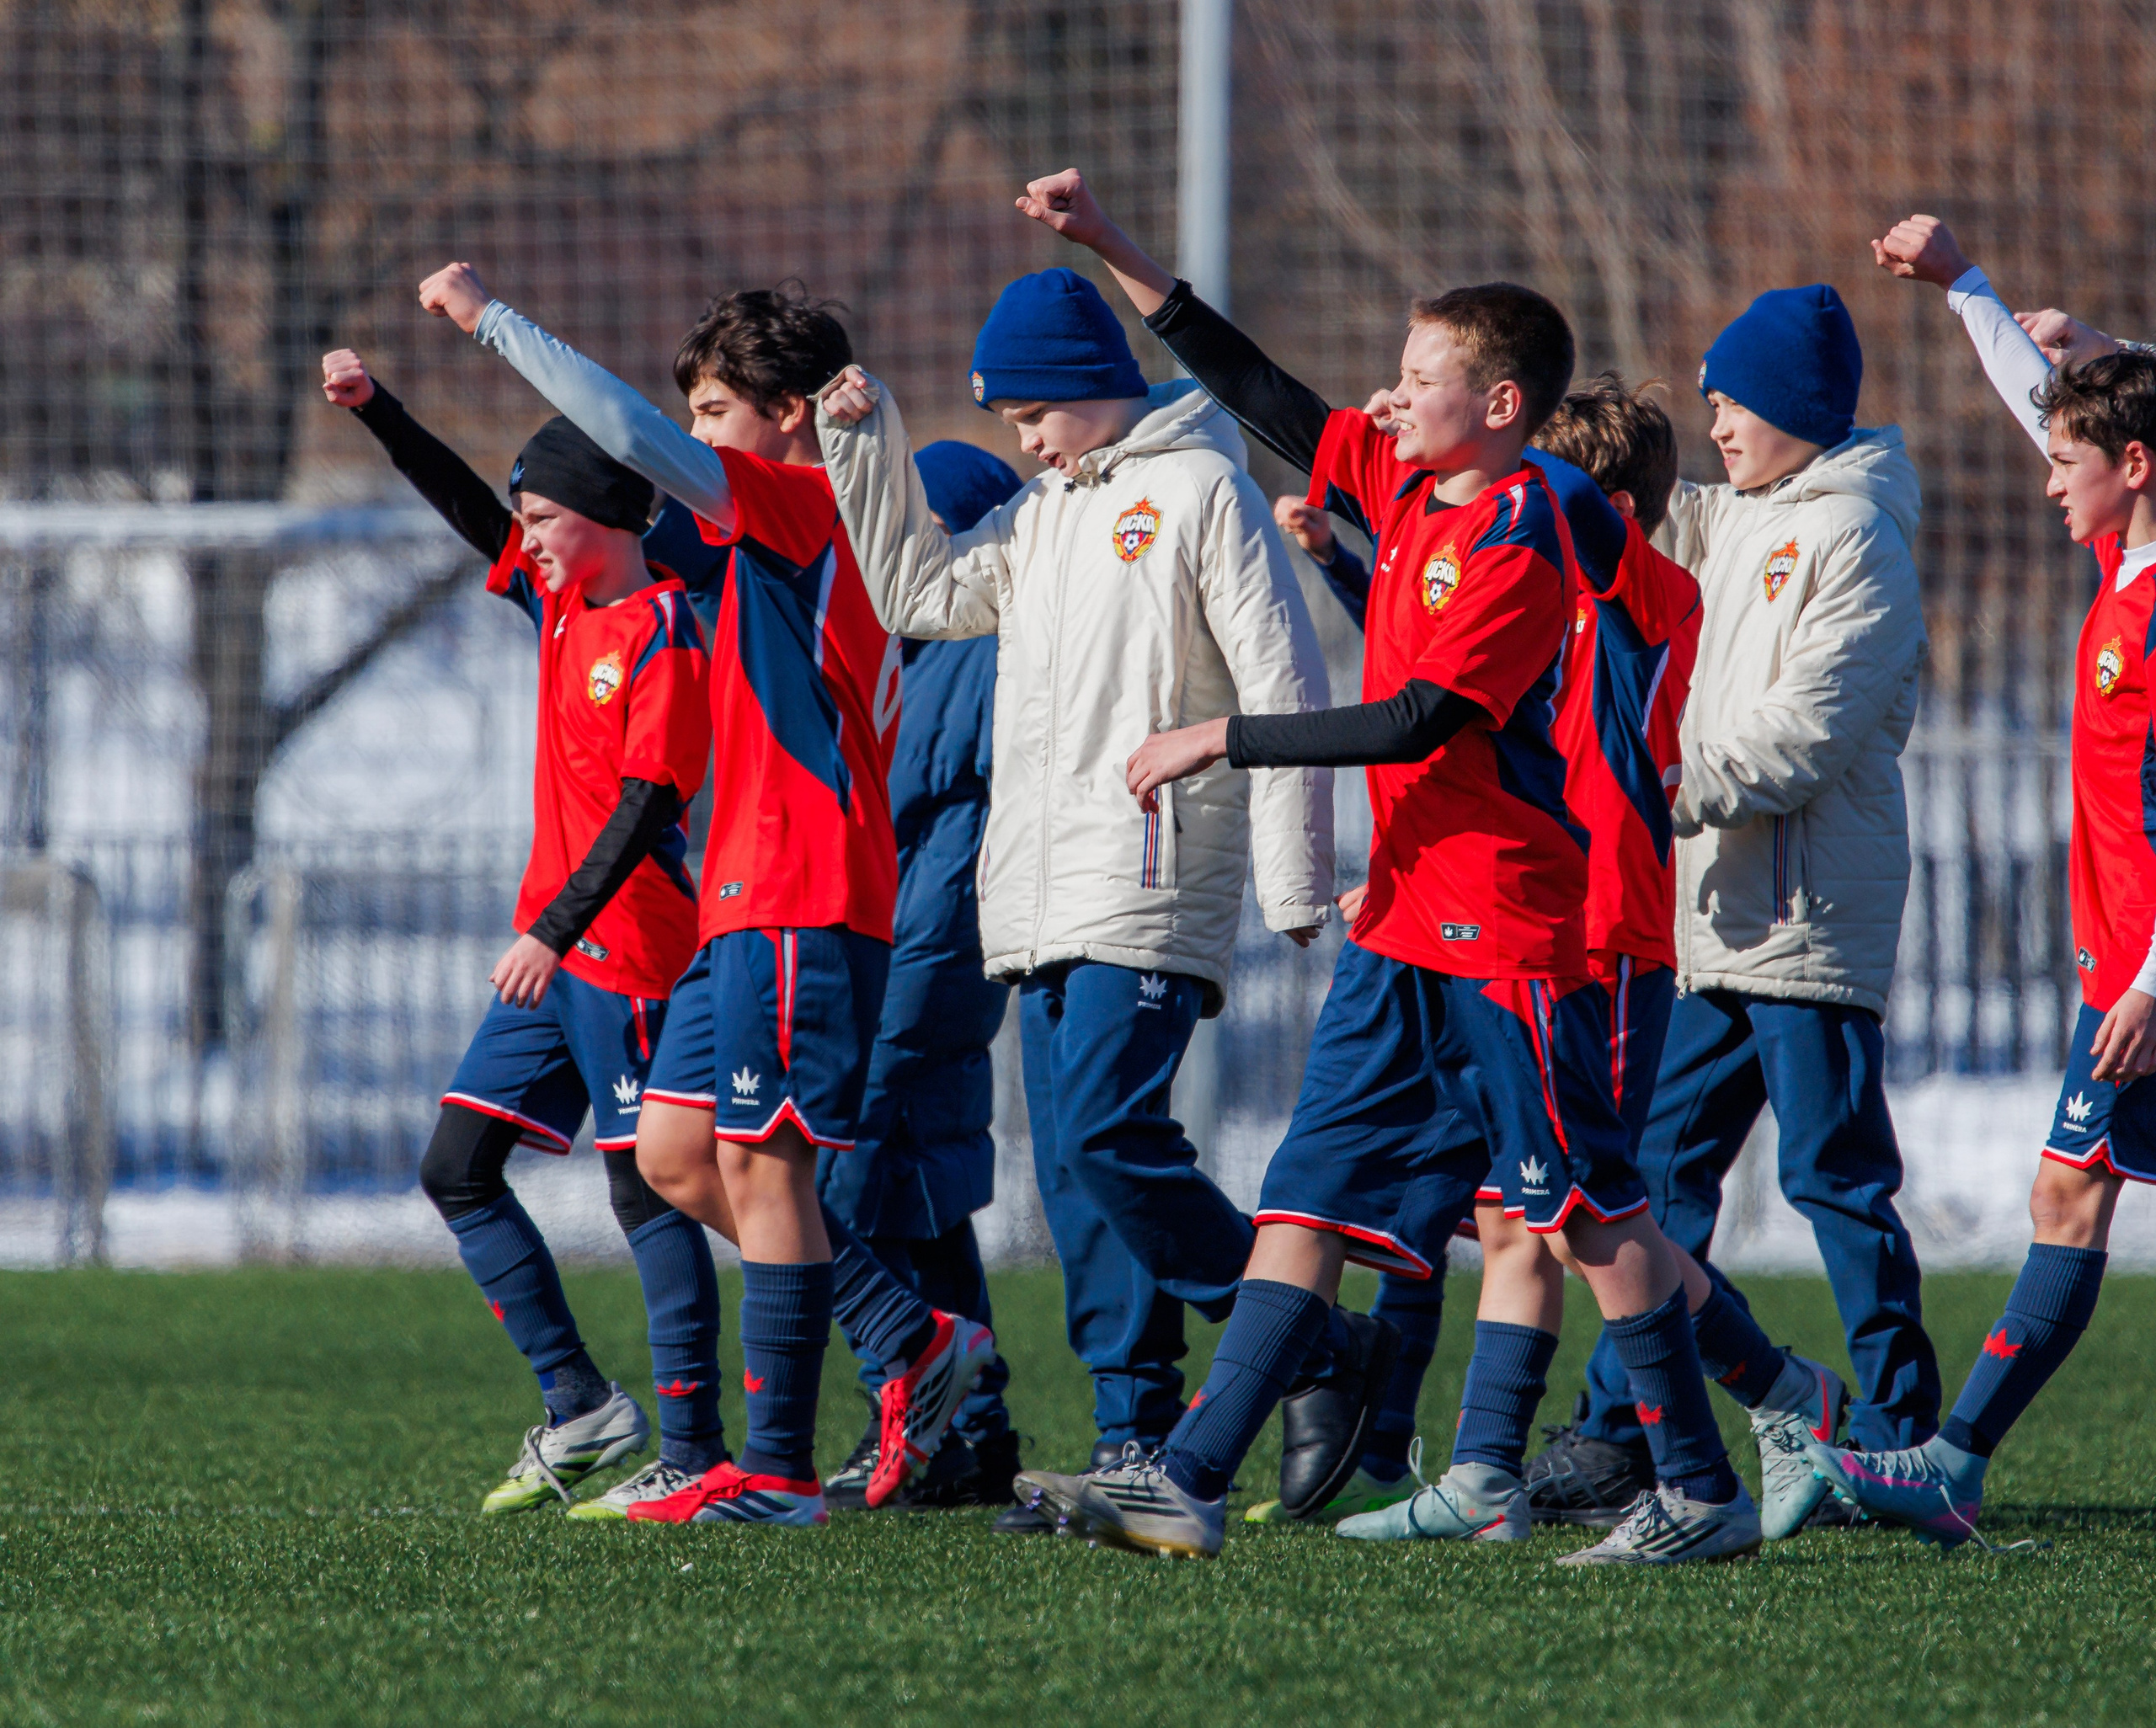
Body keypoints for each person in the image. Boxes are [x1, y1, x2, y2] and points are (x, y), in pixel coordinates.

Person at [1007, 168, 1759, 1565]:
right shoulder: (1414, 484)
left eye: (1421, 377)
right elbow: (1267, 396)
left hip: (1510, 926)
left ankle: (1708, 1486)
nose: (1390, 396)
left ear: (1501, 407)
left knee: (1587, 1212)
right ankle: (1188, 1477)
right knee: (1306, 1193)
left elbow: (1426, 719)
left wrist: (1217, 735)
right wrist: (1112, 244)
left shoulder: (1525, 521)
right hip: (1407, 921)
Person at [418, 264, 996, 1528]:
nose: (697, 442)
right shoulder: (751, 525)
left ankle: (778, 1474)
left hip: (805, 874)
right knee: (682, 1155)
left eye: (718, 412)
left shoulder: (803, 503)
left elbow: (622, 440)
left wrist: (492, 321)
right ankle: (910, 1340)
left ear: (787, 415)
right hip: (743, 886)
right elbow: (568, 513)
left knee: (767, 1162)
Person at [814, 264, 1358, 1533]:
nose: (1023, 443)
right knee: (1073, 1168)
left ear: (1088, 388)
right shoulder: (1045, 512)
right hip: (1038, 899)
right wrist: (865, 444)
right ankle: (1135, 1429)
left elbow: (1280, 672)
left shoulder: (1197, 489)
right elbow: (918, 595)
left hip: (1151, 879)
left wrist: (1291, 877)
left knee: (1114, 1136)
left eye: (1030, 416)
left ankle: (1302, 1347)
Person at [1528, 281, 1940, 1526]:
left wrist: (1652, 788)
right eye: (1705, 403)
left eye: (1731, 401)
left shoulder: (1858, 533)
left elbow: (1804, 736)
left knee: (1836, 1180)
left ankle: (1901, 1435)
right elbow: (1613, 514)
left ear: (1799, 406)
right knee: (1647, 1182)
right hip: (1715, 920)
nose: (1713, 424)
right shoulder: (1737, 518)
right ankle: (1621, 1437)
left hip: (1807, 925)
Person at [1799, 216, 2156, 1545]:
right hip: (2123, 971)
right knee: (2069, 1192)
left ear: (2135, 465)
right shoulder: (2124, 560)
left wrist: (2151, 979)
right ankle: (1953, 1461)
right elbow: (2056, 408)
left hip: (2143, 982)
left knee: (2069, 1189)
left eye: (2069, 462)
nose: (2043, 476)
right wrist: (1969, 291)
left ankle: (1950, 1459)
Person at [322, 348, 726, 1518]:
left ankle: (698, 1449)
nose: (526, 535)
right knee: (455, 1166)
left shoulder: (664, 631)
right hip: (554, 959)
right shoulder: (558, 601)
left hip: (635, 956)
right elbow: (459, 503)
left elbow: (651, 806)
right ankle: (584, 1404)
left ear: (603, 517)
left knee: (654, 1196)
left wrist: (554, 928)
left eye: (543, 515)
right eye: (525, 519)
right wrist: (378, 413)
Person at [818, 440, 1025, 1512]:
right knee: (919, 1182)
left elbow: (958, 818)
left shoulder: (981, 645)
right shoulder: (902, 639)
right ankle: (974, 1431)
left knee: (859, 1159)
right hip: (910, 920)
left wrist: (913, 953)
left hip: (931, 929)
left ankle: (914, 1398)